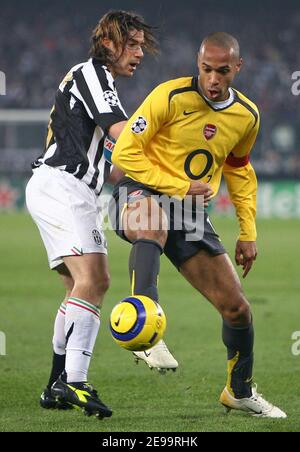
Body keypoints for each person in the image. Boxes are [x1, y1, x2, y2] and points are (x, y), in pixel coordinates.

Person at [109, 32, 287, 418]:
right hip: (143, 190)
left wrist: (249, 231)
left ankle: (238, 391)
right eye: (206, 69)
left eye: (222, 71)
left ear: (237, 68)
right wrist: (178, 186)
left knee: (237, 308)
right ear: (198, 63)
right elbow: (125, 153)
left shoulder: (247, 116)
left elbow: (240, 171)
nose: (212, 79)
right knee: (151, 220)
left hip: (190, 212)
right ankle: (145, 324)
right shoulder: (169, 96)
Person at [25, 10, 174, 419]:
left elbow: (117, 162)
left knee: (82, 286)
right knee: (95, 279)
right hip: (62, 186)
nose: (140, 53)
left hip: (76, 191)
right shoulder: (91, 74)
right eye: (133, 44)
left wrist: (157, 175)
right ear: (108, 43)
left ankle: (57, 384)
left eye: (143, 45)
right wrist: (170, 155)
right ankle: (74, 381)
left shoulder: (99, 83)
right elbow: (123, 135)